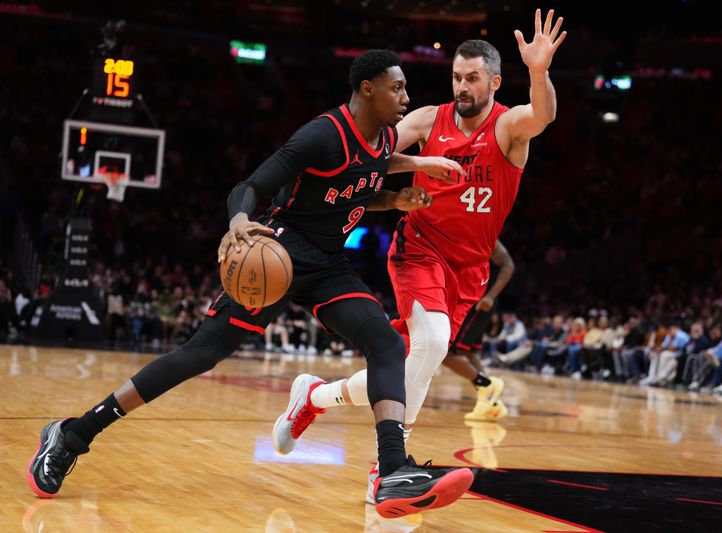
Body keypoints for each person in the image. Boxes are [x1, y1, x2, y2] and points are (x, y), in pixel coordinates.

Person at [28, 49, 474, 519]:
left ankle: (392, 472)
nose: (406, 97)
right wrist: (239, 218)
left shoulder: (384, 139)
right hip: (279, 255)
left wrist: (402, 192)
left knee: (387, 345)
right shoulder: (323, 134)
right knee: (200, 354)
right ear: (367, 89)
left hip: (327, 265)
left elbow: (365, 187)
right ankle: (73, 434)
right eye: (397, 88)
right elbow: (250, 185)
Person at [272, 8, 566, 501]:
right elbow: (372, 154)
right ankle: (389, 470)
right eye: (456, 77)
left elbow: (544, 115)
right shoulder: (429, 120)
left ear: (494, 81)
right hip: (420, 248)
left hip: (469, 270)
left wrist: (540, 71)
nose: (462, 87)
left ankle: (315, 397)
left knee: (413, 363)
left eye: (472, 78)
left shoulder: (509, 126)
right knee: (429, 344)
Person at [444, 240, 514, 421]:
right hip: (466, 296)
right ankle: (491, 404)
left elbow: (508, 265)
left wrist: (491, 296)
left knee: (448, 352)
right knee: (468, 353)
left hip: (479, 300)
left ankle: (487, 385)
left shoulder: (487, 234)